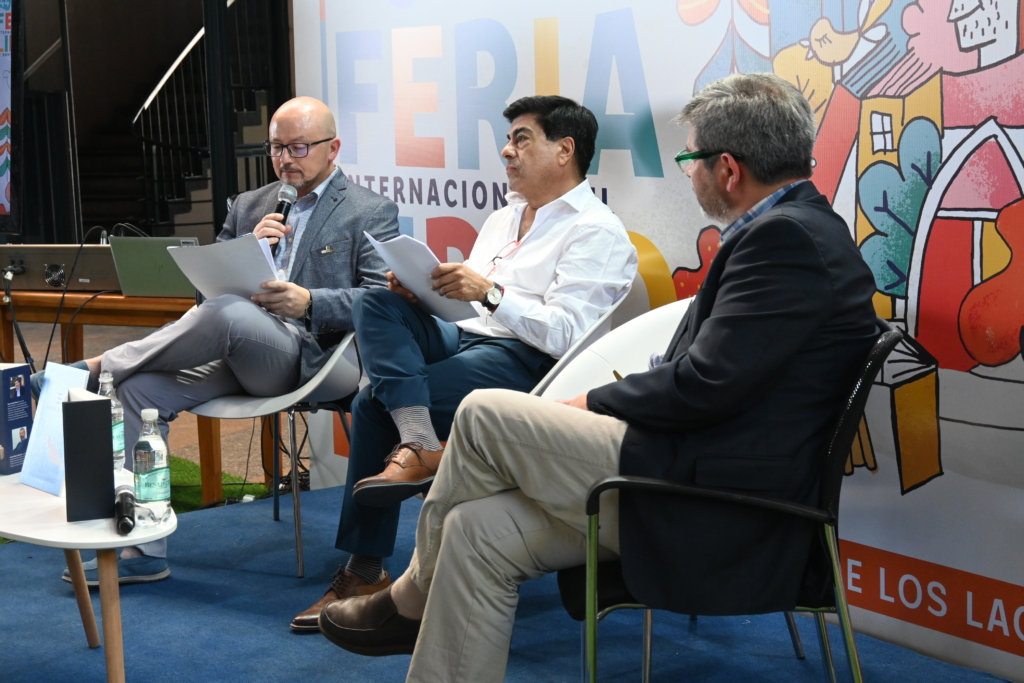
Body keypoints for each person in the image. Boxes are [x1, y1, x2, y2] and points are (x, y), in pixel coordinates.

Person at [315, 73, 879, 682]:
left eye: (689, 158)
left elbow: (703, 385)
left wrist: (589, 402)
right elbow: (714, 374)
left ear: (728, 169)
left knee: (482, 412)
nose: (687, 173)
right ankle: (413, 593)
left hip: (713, 495)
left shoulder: (786, 240)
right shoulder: (791, 231)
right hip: (688, 462)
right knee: (476, 529)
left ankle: (408, 596)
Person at [289, 96, 638, 631]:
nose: (507, 151)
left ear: (565, 150)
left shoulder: (597, 230)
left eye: (522, 139)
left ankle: (365, 568)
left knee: (371, 402)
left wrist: (491, 293)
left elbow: (566, 334)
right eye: (509, 139)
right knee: (375, 302)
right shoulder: (503, 216)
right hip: (462, 336)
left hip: (529, 361)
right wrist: (421, 294)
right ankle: (421, 445)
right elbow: (468, 307)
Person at [39, 96, 399, 585]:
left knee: (228, 314)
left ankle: (96, 368)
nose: (285, 160)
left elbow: (382, 299)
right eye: (276, 148)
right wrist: (250, 248)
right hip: (236, 349)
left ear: (332, 148)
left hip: (313, 359)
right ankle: (144, 549)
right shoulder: (250, 205)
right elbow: (205, 293)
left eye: (298, 147)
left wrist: (310, 301)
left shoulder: (369, 210)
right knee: (137, 392)